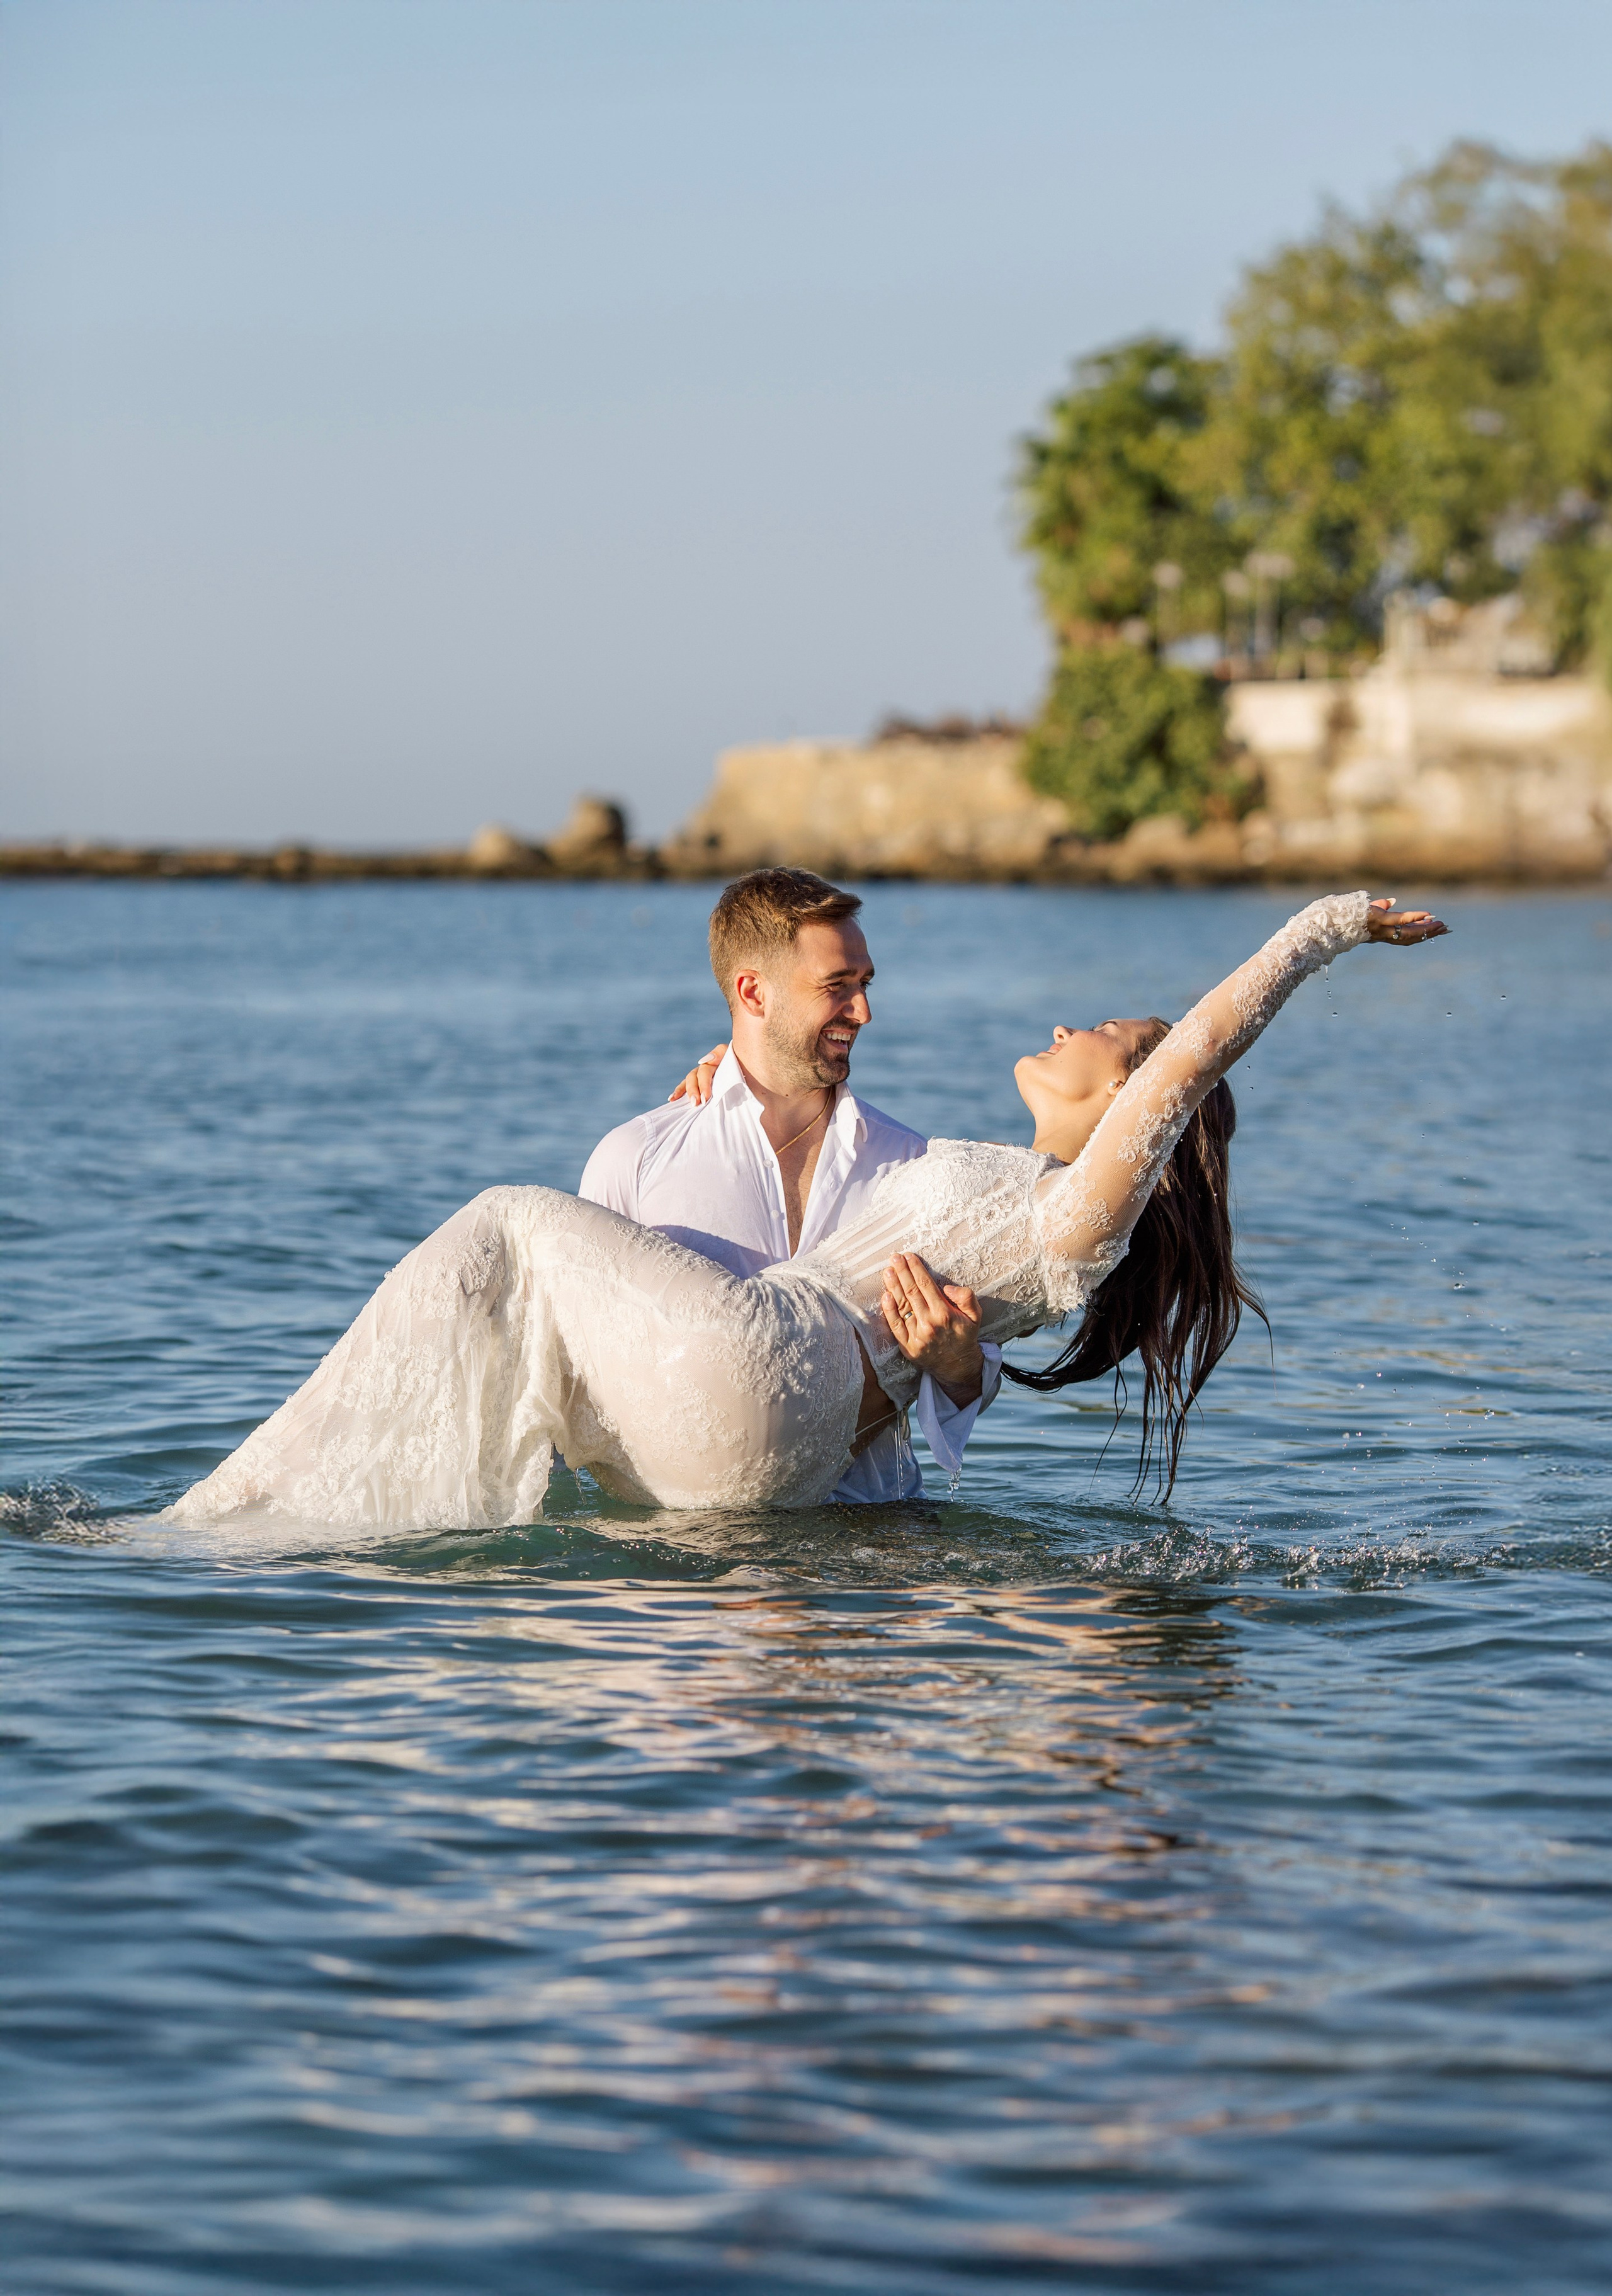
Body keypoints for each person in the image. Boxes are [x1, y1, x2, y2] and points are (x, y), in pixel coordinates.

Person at [167, 890, 1446, 1531]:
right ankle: (299, 1513)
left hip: (798, 1439)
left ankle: (254, 1516)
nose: (1065, 1026)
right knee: (528, 1278)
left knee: (506, 1220)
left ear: (1133, 1107)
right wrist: (710, 1083)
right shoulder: (974, 1182)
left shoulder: (1068, 1214)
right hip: (729, 1465)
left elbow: (1194, 1052)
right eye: (841, 985)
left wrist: (1319, 928)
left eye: (1099, 1034)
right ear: (751, 992)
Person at [578, 869, 1001, 1502]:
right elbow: (582, 1376)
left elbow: (971, 1376)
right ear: (753, 993)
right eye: (838, 987)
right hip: (691, 1565)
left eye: (863, 984)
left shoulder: (910, 1165)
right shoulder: (636, 1162)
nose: (863, 1010)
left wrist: (960, 1366)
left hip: (874, 1549)